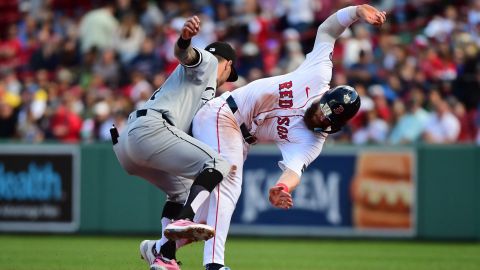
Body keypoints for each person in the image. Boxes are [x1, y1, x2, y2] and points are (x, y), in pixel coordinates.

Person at [165, 5, 387, 270]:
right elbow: (328, 31)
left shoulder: (313, 141)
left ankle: (160, 251)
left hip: (239, 136)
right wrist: (355, 11)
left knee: (208, 213)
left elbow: (294, 170)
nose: (319, 118)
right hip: (222, 113)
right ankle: (214, 263)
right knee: (231, 178)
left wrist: (283, 187)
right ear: (323, 97)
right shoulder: (318, 75)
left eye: (327, 120)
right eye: (321, 111)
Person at [111, 16, 238, 270]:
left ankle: (163, 255)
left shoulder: (196, 92)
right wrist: (185, 39)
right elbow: (185, 54)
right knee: (218, 163)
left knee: (181, 192)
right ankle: (185, 220)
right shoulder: (210, 64)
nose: (227, 79)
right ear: (228, 65)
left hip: (128, 145)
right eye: (230, 74)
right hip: (151, 130)